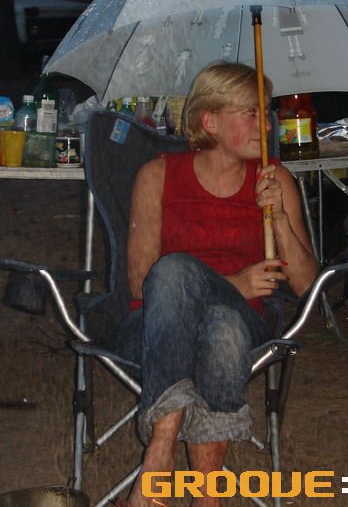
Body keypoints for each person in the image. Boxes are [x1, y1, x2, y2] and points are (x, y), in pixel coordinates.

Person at [114, 62, 318, 507]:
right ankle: (201, 487)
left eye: (266, 111)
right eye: (250, 112)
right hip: (153, 326)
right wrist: (235, 283)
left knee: (225, 323)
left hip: (245, 324)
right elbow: (141, 279)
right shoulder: (158, 175)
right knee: (177, 276)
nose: (266, 124)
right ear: (209, 121)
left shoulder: (275, 179)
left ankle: (161, 453)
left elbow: (306, 285)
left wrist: (279, 218)